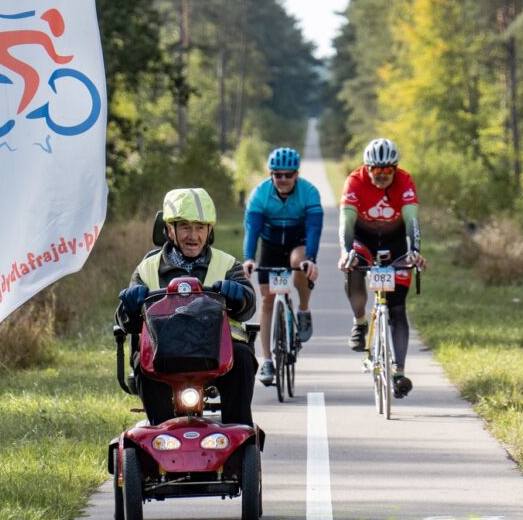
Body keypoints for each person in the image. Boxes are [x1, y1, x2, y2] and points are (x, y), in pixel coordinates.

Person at [118, 188, 258, 427]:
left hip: (217, 352)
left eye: (200, 227)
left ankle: (239, 434)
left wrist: (239, 298)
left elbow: (248, 306)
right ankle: (162, 432)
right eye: (185, 227)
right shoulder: (147, 269)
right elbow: (125, 322)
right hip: (163, 352)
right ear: (169, 229)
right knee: (142, 361)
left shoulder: (227, 265)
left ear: (209, 230)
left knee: (243, 357)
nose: (193, 235)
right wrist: (129, 307)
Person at [338, 137, 427, 398]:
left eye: (388, 169)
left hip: (395, 242)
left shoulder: (405, 181)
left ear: (395, 169)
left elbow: (412, 220)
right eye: (376, 169)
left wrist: (415, 251)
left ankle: (399, 373)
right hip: (363, 239)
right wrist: (345, 252)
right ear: (367, 168)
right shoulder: (355, 181)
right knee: (354, 265)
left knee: (397, 308)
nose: (382, 175)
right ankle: (360, 322)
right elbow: (346, 222)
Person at [242, 147, 323, 385]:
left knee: (299, 262)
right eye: (278, 175)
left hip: (298, 243)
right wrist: (249, 258)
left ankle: (303, 309)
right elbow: (252, 229)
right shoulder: (260, 193)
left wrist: (311, 258)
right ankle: (267, 360)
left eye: (288, 175)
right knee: (267, 301)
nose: (283, 179)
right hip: (271, 245)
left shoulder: (309, 192)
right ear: (271, 175)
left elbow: (314, 228)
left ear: (297, 174)